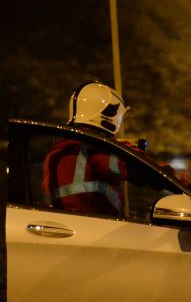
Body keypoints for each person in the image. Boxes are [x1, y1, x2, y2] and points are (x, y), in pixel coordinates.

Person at [43, 81, 130, 216]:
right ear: (111, 113)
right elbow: (133, 169)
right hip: (97, 228)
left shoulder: (58, 149)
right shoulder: (97, 149)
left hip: (63, 220)